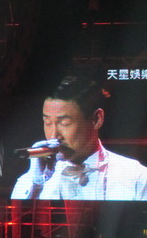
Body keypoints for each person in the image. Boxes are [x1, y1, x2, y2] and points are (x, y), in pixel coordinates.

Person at [11, 76, 147, 201]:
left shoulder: (136, 176)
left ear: (97, 119)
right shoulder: (31, 182)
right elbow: (13, 217)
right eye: (47, 123)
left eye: (64, 123)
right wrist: (36, 183)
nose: (53, 136)